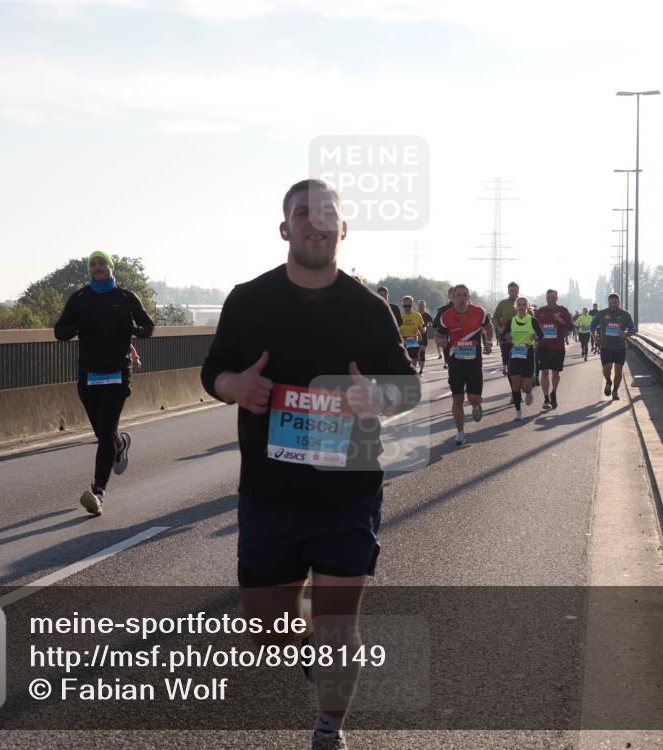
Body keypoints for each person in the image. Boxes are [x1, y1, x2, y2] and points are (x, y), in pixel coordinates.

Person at [200, 178, 420, 750]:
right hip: (269, 494)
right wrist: (236, 385)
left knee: (336, 624)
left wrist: (379, 395)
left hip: (347, 493)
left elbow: (408, 389)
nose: (315, 223)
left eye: (327, 215)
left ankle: (329, 728)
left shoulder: (370, 310)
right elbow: (212, 372)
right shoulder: (247, 301)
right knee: (263, 623)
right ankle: (320, 664)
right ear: (285, 228)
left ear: (342, 229)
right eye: (303, 214)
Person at [54, 250, 155, 515]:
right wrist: (76, 326)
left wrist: (134, 329)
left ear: (111, 268)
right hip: (89, 374)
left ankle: (98, 491)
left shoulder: (125, 297)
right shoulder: (80, 298)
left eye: (102, 263)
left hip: (117, 373)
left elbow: (148, 327)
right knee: (103, 434)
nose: (98, 267)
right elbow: (60, 331)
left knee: (106, 430)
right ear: (90, 270)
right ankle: (119, 444)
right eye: (93, 264)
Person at [435, 284, 494, 445]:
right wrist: (441, 341)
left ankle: (476, 406)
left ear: (469, 298)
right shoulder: (446, 316)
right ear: (452, 297)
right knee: (457, 399)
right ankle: (460, 432)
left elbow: (489, 327)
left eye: (464, 295)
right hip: (455, 362)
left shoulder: (478, 312)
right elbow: (438, 336)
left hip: (474, 362)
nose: (461, 298)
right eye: (458, 295)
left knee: (474, 398)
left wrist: (488, 342)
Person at [500, 296, 544, 421]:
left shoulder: (533, 321)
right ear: (516, 307)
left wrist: (535, 337)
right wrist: (506, 337)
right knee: (515, 385)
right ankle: (518, 412)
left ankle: (529, 392)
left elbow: (541, 335)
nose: (522, 306)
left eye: (524, 304)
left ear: (527, 307)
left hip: (528, 355)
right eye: (519, 304)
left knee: (526, 387)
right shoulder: (511, 321)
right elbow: (502, 337)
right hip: (514, 355)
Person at [590, 292, 636, 400]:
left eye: (615, 302)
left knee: (618, 370)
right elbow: (592, 326)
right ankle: (608, 381)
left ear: (619, 302)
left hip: (620, 347)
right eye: (611, 302)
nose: (613, 304)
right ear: (608, 302)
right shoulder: (602, 313)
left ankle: (615, 390)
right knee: (607, 368)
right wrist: (594, 336)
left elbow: (633, 329)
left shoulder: (625, 315)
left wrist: (626, 334)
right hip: (606, 346)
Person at [534, 289, 573, 410]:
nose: (551, 299)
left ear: (557, 298)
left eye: (553, 297)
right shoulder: (540, 312)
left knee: (555, 374)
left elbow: (571, 327)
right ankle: (546, 399)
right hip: (543, 347)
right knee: (544, 372)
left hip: (558, 347)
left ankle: (554, 392)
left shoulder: (563, 310)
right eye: (549, 297)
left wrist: (560, 320)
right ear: (546, 298)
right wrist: (534, 338)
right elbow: (533, 328)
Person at [492, 282, 520, 377]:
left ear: (518, 291)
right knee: (508, 359)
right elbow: (494, 319)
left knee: (519, 361)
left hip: (521, 336)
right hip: (506, 336)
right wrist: (499, 321)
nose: (513, 292)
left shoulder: (523, 302)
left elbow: (531, 318)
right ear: (508, 291)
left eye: (515, 290)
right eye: (511, 290)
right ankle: (506, 369)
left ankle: (531, 375)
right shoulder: (502, 304)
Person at [399, 295, 425, 373]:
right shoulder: (399, 315)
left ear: (412, 305)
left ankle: (412, 372)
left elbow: (423, 328)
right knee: (404, 360)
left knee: (414, 358)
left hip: (413, 340)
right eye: (405, 306)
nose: (407, 307)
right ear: (403, 305)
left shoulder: (417, 315)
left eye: (408, 306)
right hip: (402, 340)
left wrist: (422, 330)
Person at [432, 287, 454, 368]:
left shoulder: (467, 308)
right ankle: (447, 362)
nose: (453, 296)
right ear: (448, 296)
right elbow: (435, 324)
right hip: (448, 338)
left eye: (455, 294)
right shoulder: (443, 309)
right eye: (451, 294)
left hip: (464, 342)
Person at [416, 299, 434, 374]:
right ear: (418, 306)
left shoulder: (427, 315)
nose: (421, 307)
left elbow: (432, 323)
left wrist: (429, 325)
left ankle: (421, 370)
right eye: (420, 305)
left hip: (424, 335)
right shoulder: (415, 314)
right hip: (416, 336)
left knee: (422, 352)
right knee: (417, 353)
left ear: (425, 306)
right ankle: (419, 363)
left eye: (422, 305)